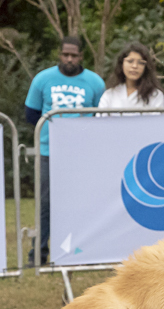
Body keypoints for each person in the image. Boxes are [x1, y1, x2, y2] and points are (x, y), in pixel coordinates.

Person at [24, 36, 106, 266]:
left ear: (81, 56)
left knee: (83, 203)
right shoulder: (43, 79)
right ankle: (38, 254)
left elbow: (103, 115)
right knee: (45, 203)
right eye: (65, 54)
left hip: (82, 153)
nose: (69, 59)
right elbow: (30, 114)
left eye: (74, 55)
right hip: (49, 151)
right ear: (59, 54)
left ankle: (80, 252)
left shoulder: (95, 82)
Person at [97, 42, 164, 113]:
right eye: (130, 61)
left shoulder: (155, 96)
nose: (134, 66)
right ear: (122, 63)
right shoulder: (110, 94)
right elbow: (101, 121)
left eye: (140, 63)